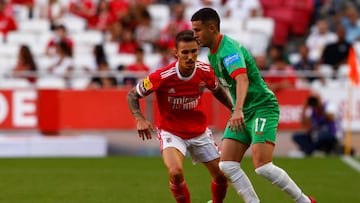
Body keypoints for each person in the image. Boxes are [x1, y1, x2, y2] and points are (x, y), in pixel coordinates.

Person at [191, 8, 316, 203]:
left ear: (212, 28)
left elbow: (242, 79)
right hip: (244, 111)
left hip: (262, 107)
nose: (194, 35)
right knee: (227, 165)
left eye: (197, 30)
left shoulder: (229, 49)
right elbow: (226, 84)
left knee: (263, 167)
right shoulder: (212, 54)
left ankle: (304, 201)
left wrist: (237, 110)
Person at [127, 30, 233, 203]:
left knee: (221, 176)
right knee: (175, 172)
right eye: (185, 52)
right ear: (176, 53)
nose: (190, 56)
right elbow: (132, 95)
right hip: (171, 132)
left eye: (194, 51)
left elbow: (217, 90)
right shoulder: (161, 76)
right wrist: (139, 118)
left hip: (199, 132)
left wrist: (234, 110)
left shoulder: (205, 71)